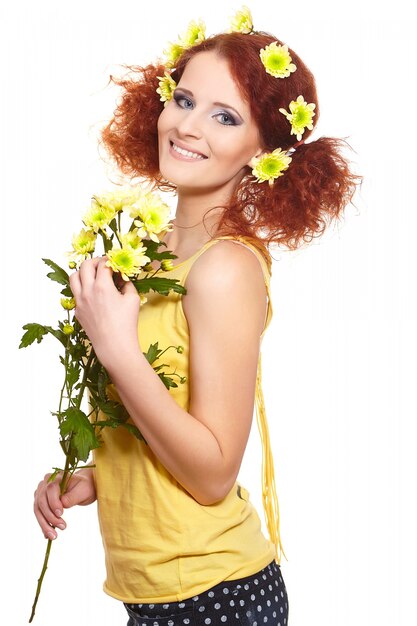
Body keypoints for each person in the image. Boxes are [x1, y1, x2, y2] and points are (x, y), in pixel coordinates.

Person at [33, 8, 361, 625]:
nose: (188, 126)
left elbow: (213, 475)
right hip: (160, 593)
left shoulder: (225, 270)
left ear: (263, 150)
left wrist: (117, 350)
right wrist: (103, 473)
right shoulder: (150, 254)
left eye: (225, 116)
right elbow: (171, 421)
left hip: (215, 594)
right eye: (183, 99)